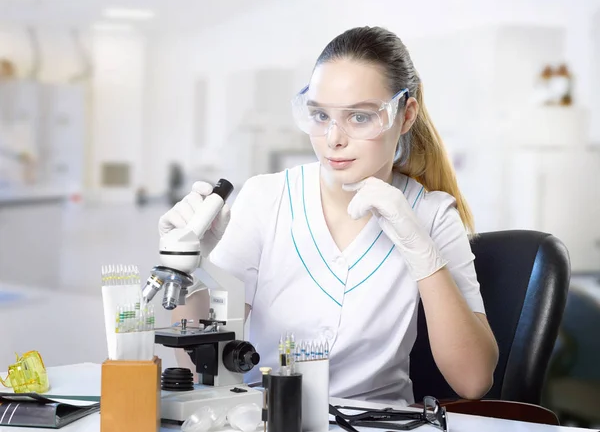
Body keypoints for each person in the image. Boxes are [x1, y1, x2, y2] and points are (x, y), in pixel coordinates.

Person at [159, 26, 499, 406]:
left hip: (379, 424)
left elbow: (473, 381)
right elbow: (197, 368)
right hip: (266, 415)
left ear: (405, 117)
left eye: (359, 117)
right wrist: (196, 270)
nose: (333, 138)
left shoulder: (433, 216)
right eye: (320, 115)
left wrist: (423, 252)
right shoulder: (266, 198)